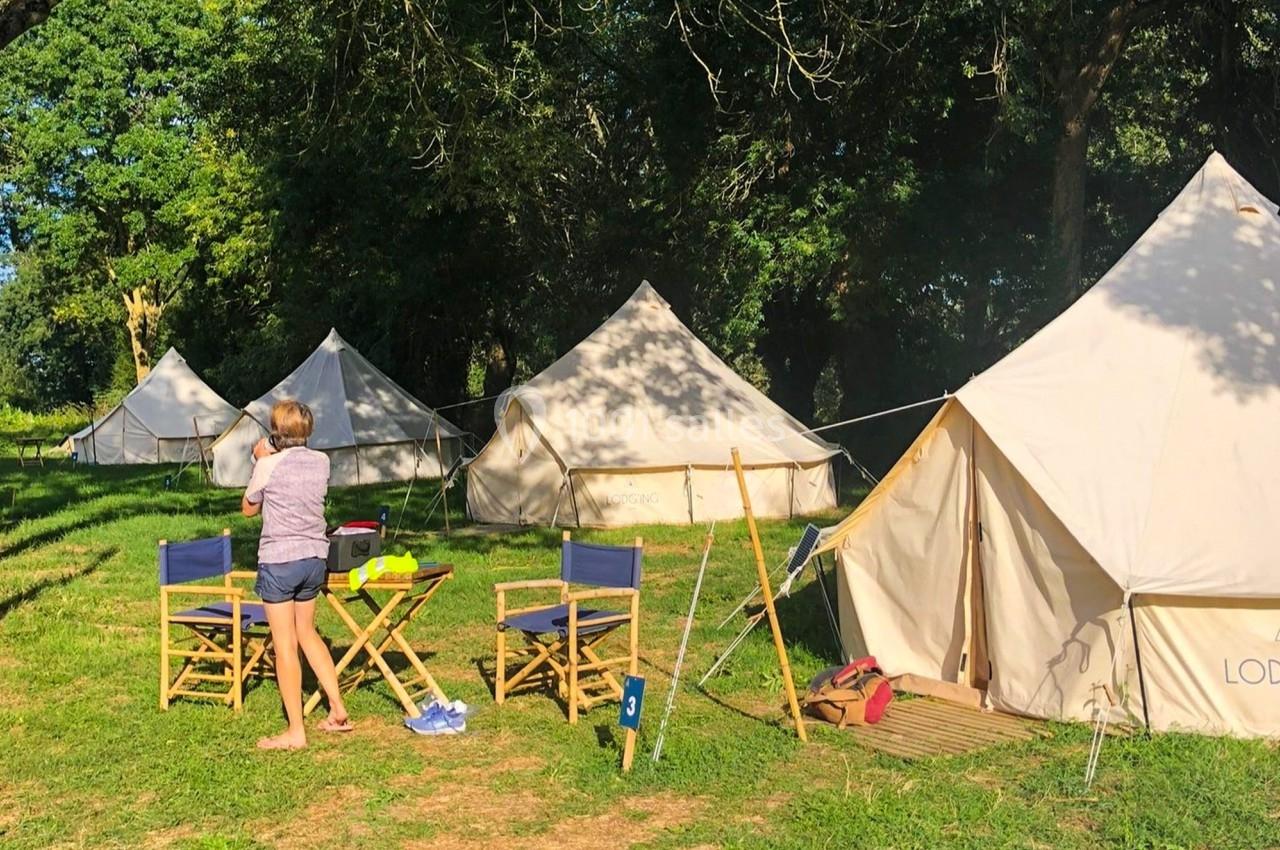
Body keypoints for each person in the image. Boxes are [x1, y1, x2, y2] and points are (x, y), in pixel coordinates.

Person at [242, 399, 351, 750]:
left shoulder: (268, 465)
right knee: (307, 632)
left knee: (285, 644)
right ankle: (337, 708)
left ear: (276, 431)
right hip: (314, 558)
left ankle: (295, 732)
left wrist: (258, 461)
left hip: (279, 560)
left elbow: (248, 508)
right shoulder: (322, 462)